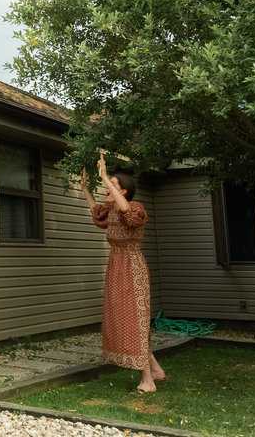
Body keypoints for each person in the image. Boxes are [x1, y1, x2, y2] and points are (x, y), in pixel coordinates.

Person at [79, 153, 166, 392]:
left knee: (135, 321)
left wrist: (106, 176)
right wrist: (85, 189)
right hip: (115, 267)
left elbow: (127, 210)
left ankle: (147, 380)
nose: (106, 189)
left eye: (113, 186)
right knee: (123, 319)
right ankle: (156, 370)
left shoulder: (134, 208)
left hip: (132, 266)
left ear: (124, 191)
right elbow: (96, 212)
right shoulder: (112, 212)